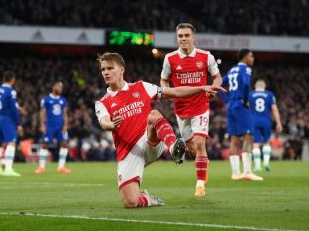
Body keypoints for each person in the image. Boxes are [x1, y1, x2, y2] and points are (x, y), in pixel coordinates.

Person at [95, 52, 226, 208]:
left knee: (154, 114)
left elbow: (175, 92)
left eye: (110, 68)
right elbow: (104, 122)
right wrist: (111, 125)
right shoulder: (102, 102)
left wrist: (201, 88)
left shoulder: (141, 87)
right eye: (103, 69)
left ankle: (173, 148)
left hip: (149, 141)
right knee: (130, 202)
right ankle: (147, 199)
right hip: (129, 153)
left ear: (121, 69)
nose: (106, 72)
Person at [160, 23, 222, 197]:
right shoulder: (170, 58)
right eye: (180, 36)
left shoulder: (206, 56)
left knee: (200, 143)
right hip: (181, 109)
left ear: (193, 37)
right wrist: (169, 93)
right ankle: (201, 164)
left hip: (201, 106)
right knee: (192, 149)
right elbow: (164, 80)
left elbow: (217, 77)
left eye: (186, 35)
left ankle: (200, 184)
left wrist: (213, 89)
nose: (183, 39)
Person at [222, 49, 263, 181]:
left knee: (234, 139)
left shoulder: (232, 70)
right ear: (245, 57)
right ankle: (247, 171)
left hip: (231, 106)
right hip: (240, 105)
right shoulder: (246, 69)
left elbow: (219, 85)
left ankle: (235, 173)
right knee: (249, 137)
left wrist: (227, 100)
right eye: (251, 56)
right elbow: (245, 84)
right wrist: (245, 100)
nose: (253, 58)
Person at [34, 81, 71, 174]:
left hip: (60, 126)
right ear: (53, 86)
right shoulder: (46, 99)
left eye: (62, 87)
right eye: (59, 86)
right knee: (45, 144)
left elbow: (65, 114)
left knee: (64, 144)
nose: (60, 89)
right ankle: (41, 167)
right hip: (49, 125)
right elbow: (42, 113)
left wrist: (65, 125)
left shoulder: (63, 100)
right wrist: (42, 125)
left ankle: (61, 167)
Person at [0, 71, 23, 177]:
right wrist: (18, 123)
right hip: (7, 119)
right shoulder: (11, 91)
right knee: (12, 142)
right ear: (12, 80)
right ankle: (8, 169)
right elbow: (14, 109)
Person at [249, 79, 282, 171]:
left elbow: (246, 107)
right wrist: (278, 122)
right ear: (264, 86)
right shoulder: (269, 94)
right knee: (267, 142)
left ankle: (257, 166)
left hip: (254, 121)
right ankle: (266, 163)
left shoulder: (250, 94)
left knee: (255, 144)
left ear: (255, 86)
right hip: (266, 121)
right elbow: (274, 109)